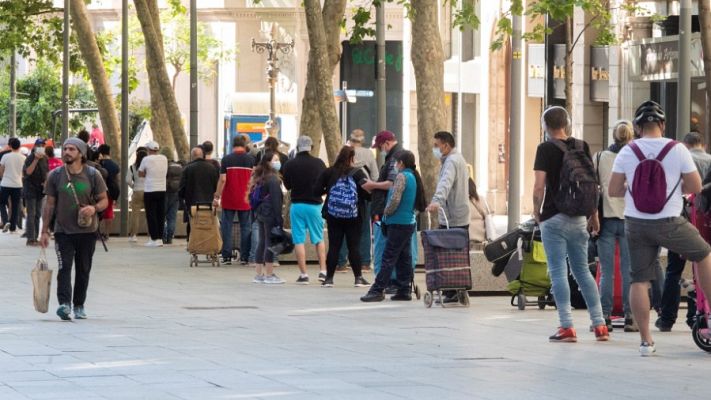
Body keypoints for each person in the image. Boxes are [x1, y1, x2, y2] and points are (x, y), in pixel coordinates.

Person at [609, 101, 711, 356]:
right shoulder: (676, 149)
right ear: (662, 125)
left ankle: (646, 342)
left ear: (638, 127)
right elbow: (696, 187)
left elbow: (613, 190)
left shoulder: (627, 151)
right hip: (669, 222)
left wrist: (633, 189)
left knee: (639, 280)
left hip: (636, 223)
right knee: (703, 253)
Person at [533, 106, 607, 343]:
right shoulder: (581, 146)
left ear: (545, 126)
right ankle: (600, 325)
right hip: (578, 218)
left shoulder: (544, 148)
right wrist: (594, 215)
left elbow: (539, 185)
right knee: (582, 271)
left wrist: (536, 210)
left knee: (557, 271)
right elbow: (590, 184)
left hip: (554, 217)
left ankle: (566, 326)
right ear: (567, 123)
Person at [40, 137, 108, 321]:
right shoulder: (55, 175)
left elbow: (104, 200)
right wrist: (44, 230)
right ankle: (64, 304)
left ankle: (79, 305)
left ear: (81, 153)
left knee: (83, 269)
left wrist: (94, 208)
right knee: (64, 268)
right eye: (65, 149)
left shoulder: (93, 175)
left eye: (71, 149)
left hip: (87, 231)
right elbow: (50, 204)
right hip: (63, 231)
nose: (67, 152)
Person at [655, 131, 711, 332]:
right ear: (702, 144)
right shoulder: (709, 160)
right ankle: (697, 314)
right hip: (706, 223)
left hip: (681, 220)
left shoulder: (682, 160)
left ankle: (667, 318)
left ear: (685, 145)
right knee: (703, 270)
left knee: (674, 271)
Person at [361, 150, 426, 302]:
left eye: (396, 162)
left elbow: (395, 199)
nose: (395, 165)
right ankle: (404, 289)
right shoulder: (413, 177)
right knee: (404, 257)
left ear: (401, 163)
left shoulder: (402, 176)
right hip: (407, 222)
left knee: (388, 257)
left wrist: (386, 212)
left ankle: (377, 289)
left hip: (397, 222)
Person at [593, 120, 638, 333]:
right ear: (631, 137)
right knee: (629, 271)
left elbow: (595, 189)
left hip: (606, 220)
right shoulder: (636, 157)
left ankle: (604, 317)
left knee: (607, 272)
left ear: (613, 136)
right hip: (630, 219)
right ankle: (631, 317)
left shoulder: (600, 157)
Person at [362, 130, 412, 293]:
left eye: (380, 147)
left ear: (387, 143)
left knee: (388, 253)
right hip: (401, 217)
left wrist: (373, 185)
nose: (379, 150)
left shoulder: (395, 160)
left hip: (391, 214)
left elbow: (393, 186)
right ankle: (402, 287)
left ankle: (383, 286)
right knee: (402, 254)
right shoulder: (399, 158)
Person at [314, 146, 371, 288]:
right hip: (354, 216)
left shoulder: (329, 172)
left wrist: (329, 190)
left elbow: (316, 190)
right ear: (352, 158)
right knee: (354, 246)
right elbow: (368, 194)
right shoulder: (358, 173)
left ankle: (329, 279)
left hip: (334, 215)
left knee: (334, 246)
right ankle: (358, 278)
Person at [425, 131, 472, 303]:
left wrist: (436, 201)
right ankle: (457, 289)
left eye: (437, 145)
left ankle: (451, 291)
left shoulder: (451, 161)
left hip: (452, 217)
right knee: (458, 255)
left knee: (447, 255)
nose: (435, 149)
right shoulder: (457, 159)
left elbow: (446, 182)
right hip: (459, 215)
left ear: (446, 145)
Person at [282, 136, 328, 284]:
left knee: (299, 240)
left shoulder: (290, 164)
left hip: (297, 205)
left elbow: (287, 186)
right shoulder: (319, 163)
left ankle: (304, 275)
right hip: (315, 205)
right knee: (318, 238)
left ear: (297, 147)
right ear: (311, 147)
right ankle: (323, 271)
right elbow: (325, 183)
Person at [337, 129, 380, 272]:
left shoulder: (344, 152)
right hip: (363, 195)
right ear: (362, 140)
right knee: (364, 229)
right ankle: (364, 263)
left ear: (350, 138)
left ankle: (342, 262)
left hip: (345, 195)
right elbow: (375, 175)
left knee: (343, 227)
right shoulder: (368, 153)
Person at [214, 135, 255, 265]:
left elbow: (223, 179)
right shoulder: (250, 160)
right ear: (244, 145)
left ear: (233, 145)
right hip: (245, 199)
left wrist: (217, 195)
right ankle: (244, 257)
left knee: (227, 227)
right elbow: (253, 179)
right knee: (246, 228)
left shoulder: (226, 159)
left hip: (229, 198)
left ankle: (226, 256)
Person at [248, 150, 285, 284]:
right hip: (270, 214)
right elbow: (276, 201)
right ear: (268, 162)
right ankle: (269, 274)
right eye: (275, 160)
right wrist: (279, 219)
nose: (278, 162)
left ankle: (259, 274)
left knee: (262, 242)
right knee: (270, 244)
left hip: (261, 213)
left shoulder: (260, 177)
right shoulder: (273, 179)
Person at [180, 147, 219, 239]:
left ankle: (192, 241)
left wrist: (182, 197)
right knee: (207, 221)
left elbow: (182, 186)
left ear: (192, 156)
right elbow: (216, 185)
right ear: (202, 155)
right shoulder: (212, 168)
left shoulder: (187, 168)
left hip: (192, 201)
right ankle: (206, 240)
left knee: (192, 221)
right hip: (208, 201)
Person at [138, 141, 168, 247]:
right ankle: (160, 238)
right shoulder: (164, 158)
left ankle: (154, 238)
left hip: (150, 189)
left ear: (149, 150)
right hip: (162, 189)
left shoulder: (146, 159)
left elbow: (140, 173)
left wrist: (147, 173)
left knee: (151, 214)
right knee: (160, 214)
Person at [23, 139, 49, 246]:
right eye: (39, 145)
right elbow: (28, 172)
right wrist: (36, 160)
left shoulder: (45, 158)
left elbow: (46, 172)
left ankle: (35, 237)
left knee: (38, 214)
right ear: (35, 147)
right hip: (30, 189)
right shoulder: (30, 158)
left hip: (40, 190)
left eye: (43, 145)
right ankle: (30, 238)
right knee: (31, 214)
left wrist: (46, 182)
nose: (41, 147)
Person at [0, 137, 26, 233]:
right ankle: (13, 228)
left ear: (10, 146)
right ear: (19, 146)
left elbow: (1, 170)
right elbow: (24, 172)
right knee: (15, 206)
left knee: (2, 203)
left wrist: (4, 177)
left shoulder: (5, 156)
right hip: (18, 184)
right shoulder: (24, 158)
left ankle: (6, 220)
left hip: (6, 183)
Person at [97, 144, 120, 240]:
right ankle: (107, 233)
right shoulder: (115, 165)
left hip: (100, 190)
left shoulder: (98, 164)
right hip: (111, 190)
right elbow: (117, 179)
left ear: (100, 153)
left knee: (97, 211)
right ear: (109, 152)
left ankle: (96, 232)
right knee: (109, 211)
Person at [162, 147, 183, 245]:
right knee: (172, 217)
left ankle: (163, 236)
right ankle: (170, 237)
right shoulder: (179, 166)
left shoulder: (163, 165)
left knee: (162, 216)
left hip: (164, 192)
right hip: (175, 193)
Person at [127, 147, 148, 242]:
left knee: (135, 214)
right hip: (148, 191)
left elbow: (127, 180)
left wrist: (133, 186)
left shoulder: (132, 167)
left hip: (137, 191)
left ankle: (134, 235)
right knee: (150, 214)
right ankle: (152, 234)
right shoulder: (148, 168)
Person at [467, 177, 490, 246]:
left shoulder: (462, 201)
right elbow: (487, 214)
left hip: (467, 237)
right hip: (481, 238)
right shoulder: (481, 199)